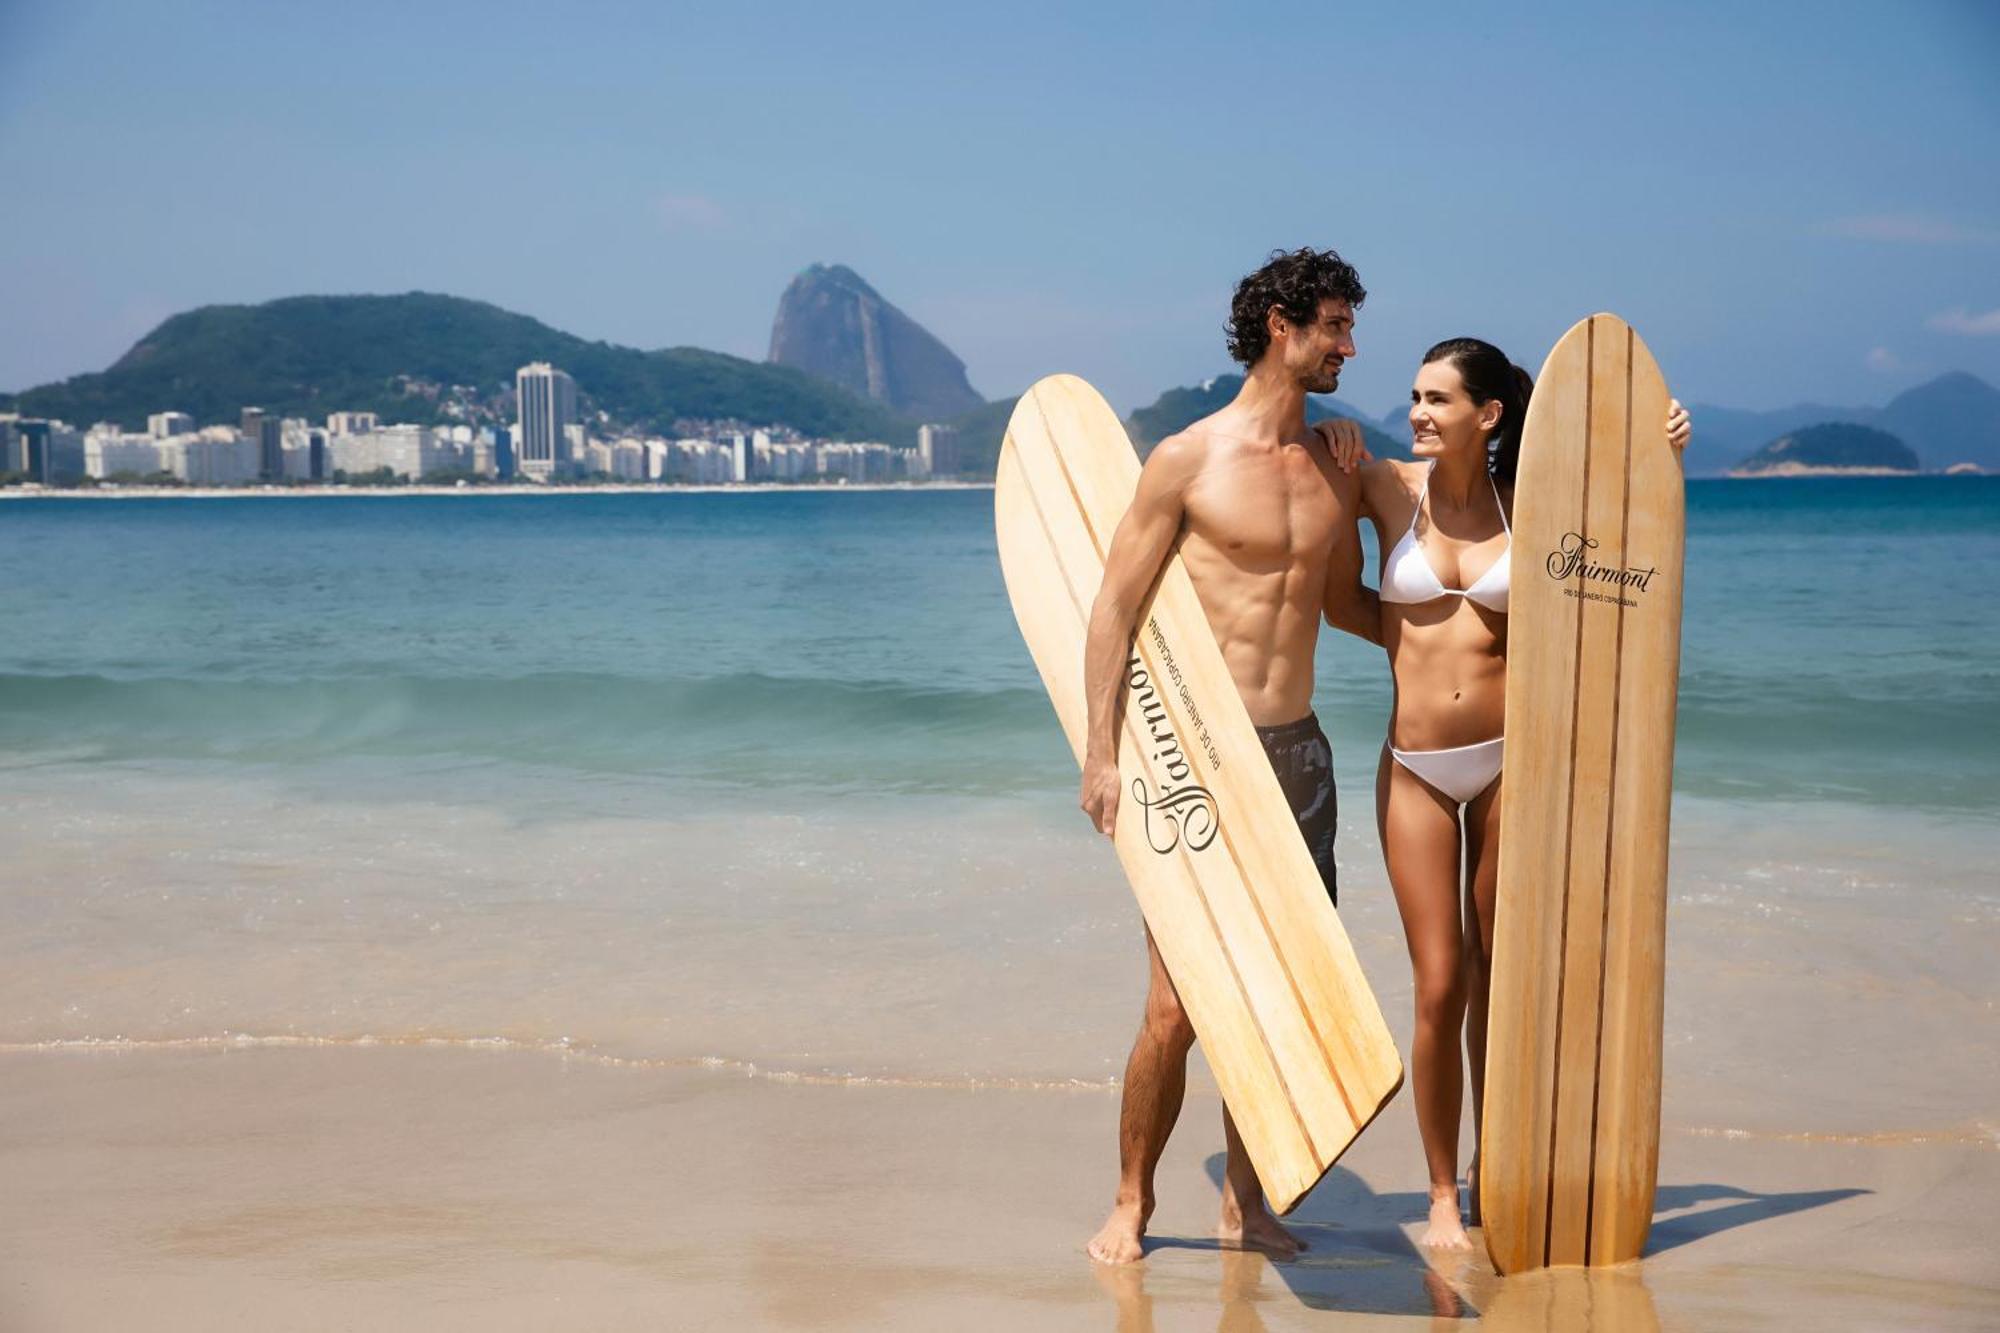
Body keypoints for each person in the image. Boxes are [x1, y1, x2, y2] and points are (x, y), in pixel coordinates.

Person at [1322, 338, 1689, 1249]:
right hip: (1414, 765)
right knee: (1440, 982)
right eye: (1414, 395)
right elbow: (1340, 601)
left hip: (1509, 764)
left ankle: (1501, 1163)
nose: (1417, 411)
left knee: (1500, 975)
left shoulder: (1534, 504)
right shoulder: (1382, 490)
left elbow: (1625, 564)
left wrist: (1665, 448)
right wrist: (1415, 642)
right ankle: (1442, 1191)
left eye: (1438, 398)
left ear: (1487, 415)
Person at [1078, 247, 1378, 1265]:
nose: (1348, 345)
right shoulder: (1186, 460)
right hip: (1197, 758)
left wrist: (1457, 646)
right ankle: (1130, 1199)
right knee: (1175, 1005)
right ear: (1279, 328)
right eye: (1334, 325)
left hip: (1297, 757)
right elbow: (1112, 611)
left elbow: (1341, 606)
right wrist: (1101, 752)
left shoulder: (1336, 462)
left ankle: (1243, 1203)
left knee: (1279, 989)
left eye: (1348, 326)